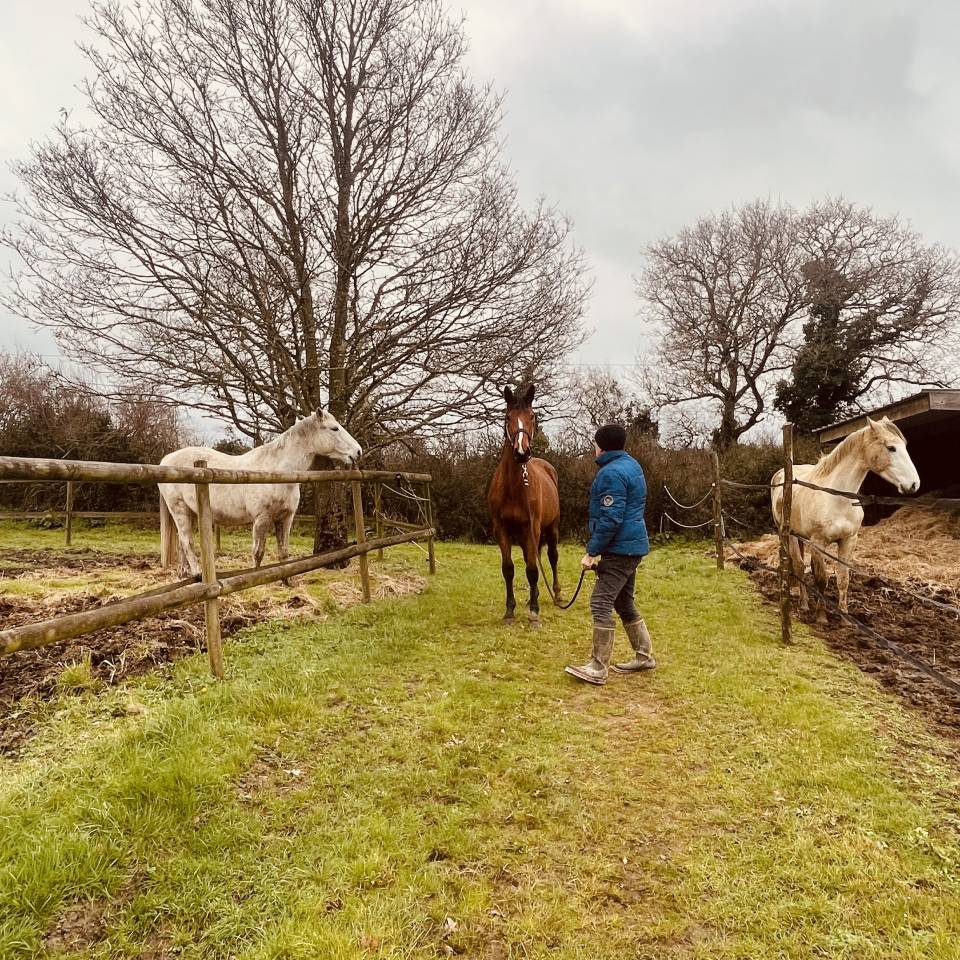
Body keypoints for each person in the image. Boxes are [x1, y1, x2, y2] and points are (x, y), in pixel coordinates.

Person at [565, 423, 654, 685]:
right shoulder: (632, 465)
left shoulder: (610, 474)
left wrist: (592, 552)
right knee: (624, 603)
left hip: (620, 549)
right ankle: (644, 655)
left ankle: (598, 666)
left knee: (600, 602)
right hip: (632, 546)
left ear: (600, 445)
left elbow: (611, 517)